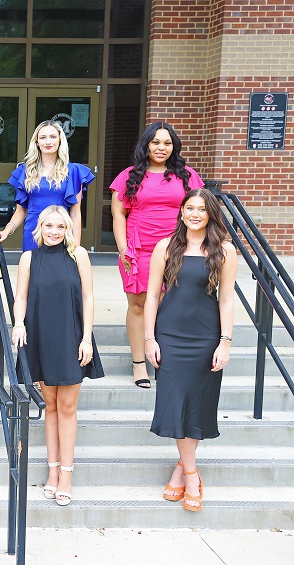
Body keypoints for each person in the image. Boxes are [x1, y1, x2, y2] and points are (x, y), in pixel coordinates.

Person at [144, 189, 237, 513]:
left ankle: (183, 470)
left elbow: (226, 299)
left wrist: (225, 342)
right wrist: (149, 339)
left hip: (205, 337)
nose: (195, 213)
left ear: (210, 214)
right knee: (175, 403)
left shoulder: (224, 251)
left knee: (195, 407)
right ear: (181, 212)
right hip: (169, 335)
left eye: (201, 208)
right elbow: (152, 297)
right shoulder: (165, 247)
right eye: (189, 207)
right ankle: (192, 473)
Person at [12, 205, 104, 507]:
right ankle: (52, 471)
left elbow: (89, 297)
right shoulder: (29, 258)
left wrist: (87, 338)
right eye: (49, 226)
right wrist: (18, 324)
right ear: (40, 227)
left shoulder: (78, 255)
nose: (54, 232)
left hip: (71, 336)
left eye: (60, 227)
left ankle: (67, 474)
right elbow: (21, 297)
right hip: (39, 336)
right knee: (48, 406)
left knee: (67, 406)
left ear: (68, 230)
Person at [111, 122, 204, 388]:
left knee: (171, 303)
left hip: (177, 246)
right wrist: (122, 247)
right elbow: (119, 214)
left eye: (167, 143)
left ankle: (167, 360)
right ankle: (139, 363)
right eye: (155, 142)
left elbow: (201, 209)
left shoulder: (187, 175)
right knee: (138, 304)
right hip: (138, 247)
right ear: (146, 145)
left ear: (173, 147)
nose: (161, 148)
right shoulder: (130, 175)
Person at [0, 120, 94, 251]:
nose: (48, 142)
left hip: (61, 234)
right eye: (43, 137)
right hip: (33, 234)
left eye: (53, 137)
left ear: (60, 140)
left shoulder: (74, 171)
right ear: (37, 142)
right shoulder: (26, 171)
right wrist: (6, 231)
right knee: (33, 270)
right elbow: (21, 211)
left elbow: (75, 213)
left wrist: (76, 248)